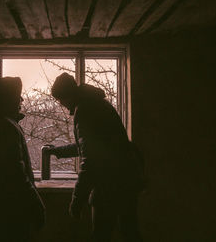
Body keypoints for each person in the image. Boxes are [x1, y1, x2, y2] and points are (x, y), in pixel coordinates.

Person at [46, 73, 144, 242]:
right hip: (126, 178)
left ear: (67, 95)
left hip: (110, 183)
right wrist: (59, 151)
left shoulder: (85, 111)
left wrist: (77, 200)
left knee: (101, 235)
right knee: (129, 232)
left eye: (60, 100)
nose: (61, 104)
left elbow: (90, 159)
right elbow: (93, 146)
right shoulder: (96, 103)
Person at [0, 77, 45, 242]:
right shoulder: (5, 127)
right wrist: (36, 203)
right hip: (15, 207)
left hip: (6, 205)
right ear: (7, 99)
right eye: (17, 95)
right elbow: (17, 174)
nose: (22, 99)